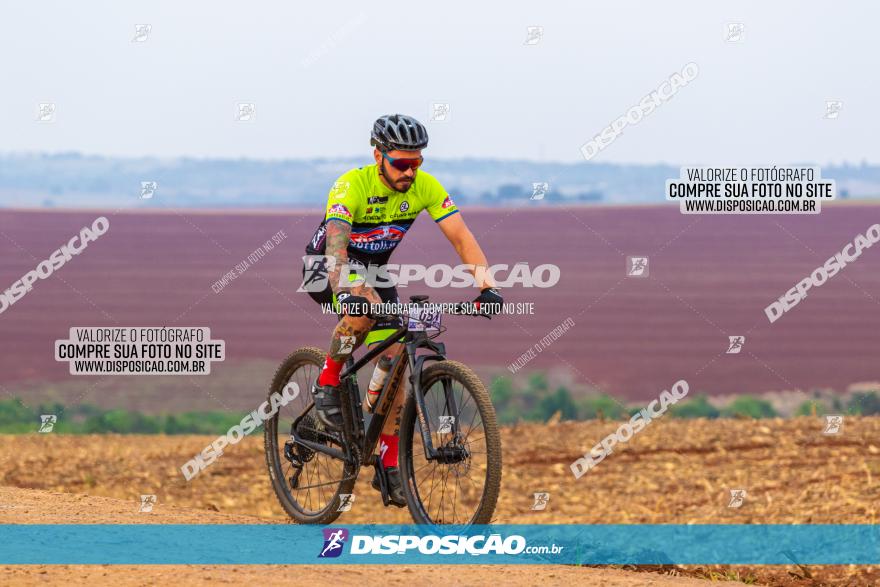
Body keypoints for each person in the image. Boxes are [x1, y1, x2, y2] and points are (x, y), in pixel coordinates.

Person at [301, 114, 502, 506]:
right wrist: (351, 289)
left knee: (396, 357)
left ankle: (387, 459)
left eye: (417, 162)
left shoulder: (425, 187)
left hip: (374, 271)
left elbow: (461, 237)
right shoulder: (350, 186)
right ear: (378, 155)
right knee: (365, 312)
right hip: (323, 267)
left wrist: (487, 285)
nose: (411, 171)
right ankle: (327, 382)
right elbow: (336, 251)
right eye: (401, 163)